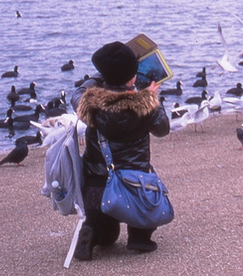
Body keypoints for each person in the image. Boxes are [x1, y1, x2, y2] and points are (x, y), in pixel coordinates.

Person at [71, 41, 170, 261]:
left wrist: (99, 77)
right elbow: (163, 129)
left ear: (104, 75)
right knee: (144, 209)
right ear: (133, 78)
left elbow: (77, 94)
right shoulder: (145, 106)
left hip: (97, 186)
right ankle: (140, 236)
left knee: (107, 235)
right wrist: (154, 99)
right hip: (136, 186)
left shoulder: (89, 105)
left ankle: (94, 232)